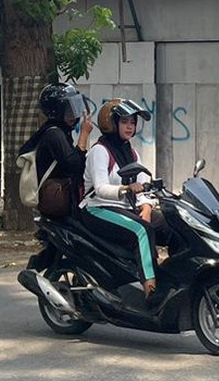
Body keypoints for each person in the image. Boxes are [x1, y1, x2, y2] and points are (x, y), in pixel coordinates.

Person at [80, 98, 164, 297]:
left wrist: (146, 207)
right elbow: (100, 189)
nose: (130, 126)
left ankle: (176, 279)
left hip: (127, 208)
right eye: (125, 121)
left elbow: (144, 185)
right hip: (98, 209)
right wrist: (125, 188)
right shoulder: (100, 151)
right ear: (112, 123)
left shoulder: (132, 153)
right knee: (142, 230)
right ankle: (151, 290)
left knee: (173, 224)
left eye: (133, 122)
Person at [16, 83, 90, 299]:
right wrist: (84, 135)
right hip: (57, 198)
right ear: (57, 111)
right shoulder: (54, 134)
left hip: (61, 195)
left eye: (74, 108)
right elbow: (73, 164)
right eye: (68, 109)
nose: (73, 114)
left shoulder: (58, 132)